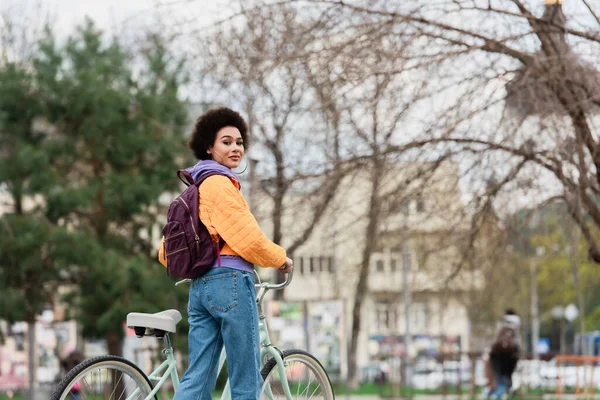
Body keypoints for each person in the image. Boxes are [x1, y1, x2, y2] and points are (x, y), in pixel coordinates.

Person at [158, 107, 293, 400]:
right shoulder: (220, 184)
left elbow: (165, 251)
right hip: (231, 282)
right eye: (226, 141)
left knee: (197, 378)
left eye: (239, 142)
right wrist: (281, 259)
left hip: (200, 288)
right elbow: (249, 240)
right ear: (209, 147)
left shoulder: (194, 189)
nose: (236, 148)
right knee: (245, 378)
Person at [485, 309, 521, 399]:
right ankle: (496, 395)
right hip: (510, 358)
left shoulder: (501, 324)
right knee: (505, 381)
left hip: (497, 356)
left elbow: (495, 340)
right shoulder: (516, 325)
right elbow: (517, 343)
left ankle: (492, 395)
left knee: (499, 380)